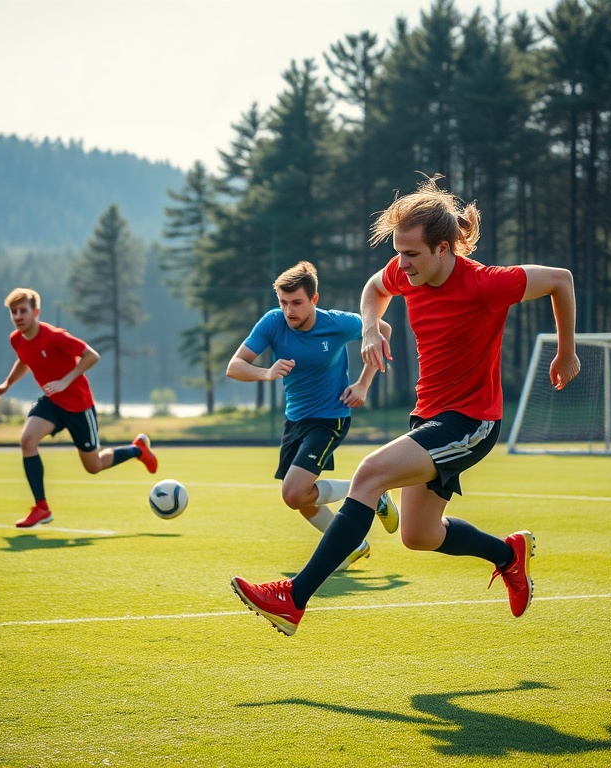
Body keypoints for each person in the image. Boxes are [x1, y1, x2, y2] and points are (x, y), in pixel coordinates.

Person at [232, 176, 580, 635]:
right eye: (397, 252)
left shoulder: (486, 283)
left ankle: (293, 599)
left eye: (411, 253)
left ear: (443, 248)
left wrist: (566, 351)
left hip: (471, 422)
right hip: (430, 417)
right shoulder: (404, 273)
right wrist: (371, 328)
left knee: (369, 474)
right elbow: (373, 290)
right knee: (419, 535)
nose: (402, 263)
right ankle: (507, 554)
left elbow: (561, 280)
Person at [226, 261, 398, 571]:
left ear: (314, 300)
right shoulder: (272, 323)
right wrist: (266, 373)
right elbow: (234, 366)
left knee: (293, 493)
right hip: (295, 420)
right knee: (301, 498)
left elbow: (381, 329)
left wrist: (363, 384)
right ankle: (353, 544)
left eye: (296, 302)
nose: (288, 310)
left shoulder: (338, 323)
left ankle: (372, 490)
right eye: (283, 302)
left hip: (330, 417)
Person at [0, 287, 158, 528]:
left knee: (94, 466)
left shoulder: (55, 336)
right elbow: (24, 359)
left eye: (23, 311)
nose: (18, 316)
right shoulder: (16, 339)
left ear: (36, 312)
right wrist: (7, 384)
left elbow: (92, 355)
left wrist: (65, 381)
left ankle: (137, 450)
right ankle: (42, 508)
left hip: (79, 407)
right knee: (27, 440)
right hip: (52, 403)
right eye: (14, 312)